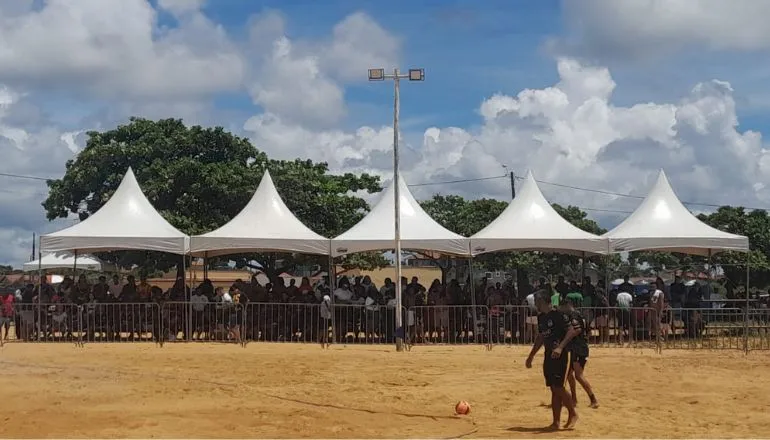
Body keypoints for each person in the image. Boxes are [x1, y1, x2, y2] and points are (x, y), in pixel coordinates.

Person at [526, 291, 579, 430]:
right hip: (548, 355)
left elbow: (572, 331)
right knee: (553, 389)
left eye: (536, 301)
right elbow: (541, 337)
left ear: (543, 300)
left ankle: (573, 413)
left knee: (558, 387)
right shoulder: (541, 317)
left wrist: (560, 347)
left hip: (561, 355)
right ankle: (556, 422)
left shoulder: (558, 314)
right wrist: (531, 356)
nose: (535, 304)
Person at [560, 298, 599, 409]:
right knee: (568, 375)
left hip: (578, 348)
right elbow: (588, 331)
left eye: (562, 307)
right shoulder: (580, 314)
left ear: (567, 305)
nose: (562, 310)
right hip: (577, 347)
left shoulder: (573, 315)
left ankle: (593, 399)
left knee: (578, 375)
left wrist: (566, 340)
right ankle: (574, 399)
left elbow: (577, 330)